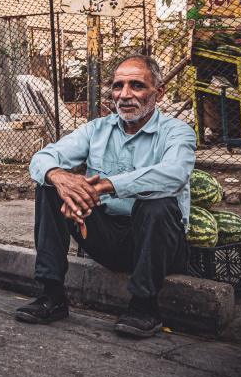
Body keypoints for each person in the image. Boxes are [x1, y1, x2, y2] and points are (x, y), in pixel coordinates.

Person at [16, 55, 196, 337]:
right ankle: (52, 294)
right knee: (50, 186)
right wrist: (61, 178)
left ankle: (145, 305)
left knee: (157, 203)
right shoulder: (97, 129)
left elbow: (174, 173)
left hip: (159, 244)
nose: (124, 94)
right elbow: (42, 158)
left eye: (136, 85)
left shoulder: (177, 132)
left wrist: (105, 186)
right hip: (105, 237)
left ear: (158, 92)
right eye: (118, 86)